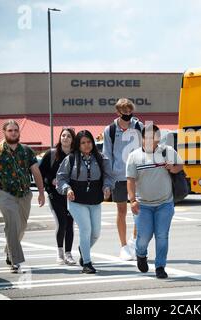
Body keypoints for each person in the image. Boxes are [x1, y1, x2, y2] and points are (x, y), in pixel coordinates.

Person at [0, 120, 45, 273]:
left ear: (19, 132)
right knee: (12, 224)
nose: (13, 133)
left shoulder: (26, 151)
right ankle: (16, 261)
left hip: (24, 194)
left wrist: (41, 192)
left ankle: (9, 250)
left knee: (21, 226)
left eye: (15, 130)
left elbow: (36, 172)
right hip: (4, 193)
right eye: (10, 130)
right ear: (4, 132)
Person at [126, 124, 183, 279]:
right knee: (143, 236)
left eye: (155, 137)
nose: (152, 140)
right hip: (143, 204)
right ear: (142, 139)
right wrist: (132, 200)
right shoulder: (134, 156)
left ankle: (160, 266)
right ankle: (141, 254)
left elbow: (180, 166)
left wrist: (173, 168)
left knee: (162, 235)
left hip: (165, 203)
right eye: (148, 137)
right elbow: (130, 180)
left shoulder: (167, 151)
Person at [56, 130, 114, 274]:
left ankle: (83, 249)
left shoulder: (101, 158)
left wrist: (107, 187)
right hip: (76, 200)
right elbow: (61, 178)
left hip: (95, 200)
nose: (86, 145)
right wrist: (67, 189)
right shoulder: (70, 159)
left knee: (95, 233)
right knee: (85, 229)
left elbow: (109, 176)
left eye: (89, 142)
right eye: (83, 143)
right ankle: (87, 263)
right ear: (78, 144)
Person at [102, 98, 143, 261]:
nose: (128, 115)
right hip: (118, 177)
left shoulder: (139, 127)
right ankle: (124, 246)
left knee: (138, 211)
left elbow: (146, 149)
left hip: (137, 176)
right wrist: (108, 179)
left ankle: (133, 242)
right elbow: (107, 155)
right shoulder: (110, 130)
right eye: (124, 112)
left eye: (129, 111)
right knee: (121, 211)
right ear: (118, 112)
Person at [39, 127, 77, 265]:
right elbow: (40, 174)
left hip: (71, 195)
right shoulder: (51, 154)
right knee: (62, 223)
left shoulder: (76, 155)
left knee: (70, 225)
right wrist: (50, 181)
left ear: (73, 140)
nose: (65, 138)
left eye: (68, 136)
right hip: (55, 195)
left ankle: (68, 254)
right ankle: (60, 253)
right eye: (63, 135)